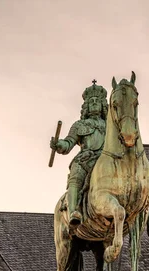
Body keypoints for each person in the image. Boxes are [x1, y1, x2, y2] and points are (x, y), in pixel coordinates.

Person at [50, 81, 108, 226]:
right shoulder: (79, 125)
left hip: (106, 160)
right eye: (91, 102)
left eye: (97, 101)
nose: (94, 104)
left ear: (103, 105)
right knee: (75, 178)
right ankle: (73, 212)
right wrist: (59, 144)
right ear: (86, 107)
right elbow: (68, 143)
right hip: (85, 159)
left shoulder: (111, 125)